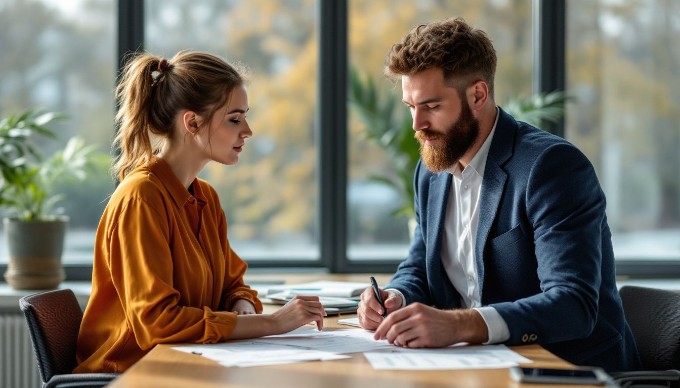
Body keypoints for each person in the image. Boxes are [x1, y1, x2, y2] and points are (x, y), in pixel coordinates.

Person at [357, 18, 641, 372]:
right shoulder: (431, 170)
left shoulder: (551, 167)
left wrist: (460, 324)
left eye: (431, 106)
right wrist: (395, 296)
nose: (417, 126)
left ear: (477, 95)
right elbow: (421, 265)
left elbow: (573, 304)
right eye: (411, 107)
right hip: (473, 367)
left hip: (565, 371)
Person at [75, 50, 325, 373]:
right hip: (129, 375)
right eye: (235, 119)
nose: (247, 130)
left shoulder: (206, 198)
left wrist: (242, 305)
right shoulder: (141, 199)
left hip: (187, 368)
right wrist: (271, 323)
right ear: (192, 122)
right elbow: (157, 325)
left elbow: (233, 284)